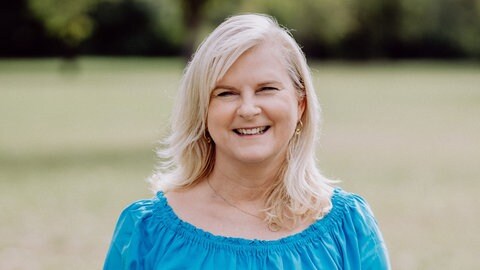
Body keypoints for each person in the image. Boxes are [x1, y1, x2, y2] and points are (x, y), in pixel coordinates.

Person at [104, 13, 390, 269]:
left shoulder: (347, 228)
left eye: (266, 89)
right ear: (202, 110)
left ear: (300, 104)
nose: (248, 109)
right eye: (226, 93)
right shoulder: (147, 231)